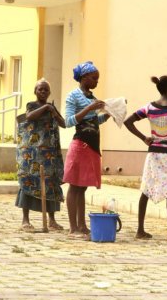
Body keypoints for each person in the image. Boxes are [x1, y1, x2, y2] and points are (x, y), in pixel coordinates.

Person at [124, 75, 167, 243]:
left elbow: (128, 122)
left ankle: (140, 230)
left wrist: (144, 138)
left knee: (146, 189)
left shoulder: (149, 108)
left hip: (152, 154)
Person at [63, 61, 110, 239]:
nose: (97, 81)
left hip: (92, 146)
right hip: (80, 145)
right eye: (94, 78)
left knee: (82, 188)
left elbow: (93, 121)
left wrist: (107, 114)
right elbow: (68, 121)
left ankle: (82, 225)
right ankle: (72, 227)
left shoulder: (91, 96)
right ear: (84, 78)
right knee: (74, 186)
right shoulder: (73, 96)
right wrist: (90, 108)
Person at [15, 78, 66, 232]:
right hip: (32, 152)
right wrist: (45, 108)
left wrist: (54, 112)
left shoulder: (52, 107)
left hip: (49, 153)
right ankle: (25, 220)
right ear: (35, 91)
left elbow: (63, 124)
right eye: (40, 89)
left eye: (45, 90)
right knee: (29, 181)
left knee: (50, 183)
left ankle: (52, 220)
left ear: (49, 92)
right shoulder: (32, 105)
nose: (43, 92)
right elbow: (29, 117)